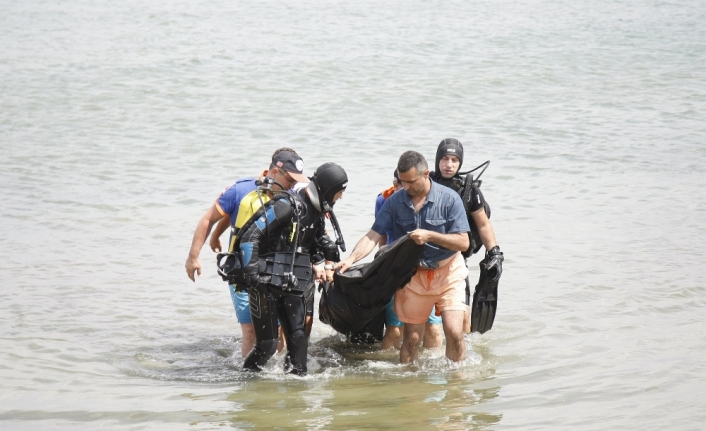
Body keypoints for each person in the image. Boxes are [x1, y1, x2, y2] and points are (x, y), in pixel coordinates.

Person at [336, 151, 470, 363]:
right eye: (402, 181)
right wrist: (351, 259)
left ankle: (457, 385)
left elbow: (464, 242)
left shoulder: (449, 199)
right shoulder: (395, 202)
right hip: (413, 275)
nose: (405, 187)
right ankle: (409, 388)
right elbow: (373, 235)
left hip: (448, 272)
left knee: (454, 332)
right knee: (412, 338)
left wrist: (430, 235)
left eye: (410, 182)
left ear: (426, 174)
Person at [184, 148, 306, 357]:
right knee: (250, 330)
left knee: (276, 331)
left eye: (296, 180)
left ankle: (276, 380)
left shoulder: (293, 196)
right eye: (290, 179)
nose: (293, 184)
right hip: (242, 271)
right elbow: (210, 218)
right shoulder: (241, 190)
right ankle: (249, 381)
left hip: (275, 271)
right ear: (275, 172)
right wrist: (193, 256)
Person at [232, 163, 348, 375]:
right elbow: (250, 237)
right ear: (328, 191)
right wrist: (252, 275)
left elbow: (308, 243)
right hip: (264, 282)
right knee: (267, 345)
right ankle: (245, 383)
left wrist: (325, 251)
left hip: (291, 281)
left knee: (298, 339)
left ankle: (297, 391)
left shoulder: (316, 212)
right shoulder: (287, 205)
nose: (339, 198)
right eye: (339, 193)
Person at [429, 138, 503, 333]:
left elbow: (483, 223)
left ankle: (462, 360)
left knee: (463, 324)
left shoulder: (469, 190)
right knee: (428, 326)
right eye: (445, 158)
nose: (449, 164)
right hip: (425, 262)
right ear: (437, 159)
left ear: (460, 162)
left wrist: (494, 252)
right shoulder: (426, 184)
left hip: (456, 262)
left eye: (454, 160)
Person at [374, 170, 443, 350]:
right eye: (397, 184)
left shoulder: (427, 199)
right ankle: (389, 371)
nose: (401, 188)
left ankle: (432, 368)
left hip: (427, 271)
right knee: (396, 329)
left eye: (406, 184)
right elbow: (379, 233)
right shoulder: (384, 200)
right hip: (396, 269)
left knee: (433, 327)